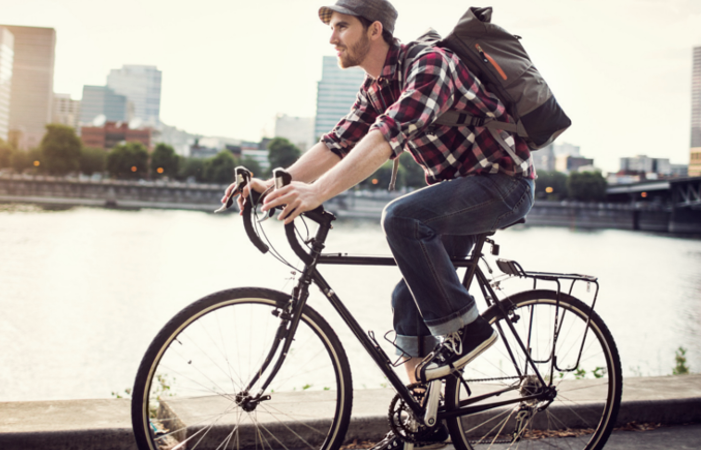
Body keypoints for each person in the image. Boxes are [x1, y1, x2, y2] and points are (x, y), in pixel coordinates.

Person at [224, 1, 535, 447]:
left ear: (374, 31)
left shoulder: (430, 64)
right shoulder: (377, 87)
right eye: (331, 28)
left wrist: (317, 193)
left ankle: (470, 332)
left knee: (402, 217)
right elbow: (337, 144)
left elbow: (386, 137)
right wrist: (273, 185)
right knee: (407, 299)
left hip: (502, 186)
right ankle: (426, 423)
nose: (332, 37)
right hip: (458, 197)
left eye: (341, 27)